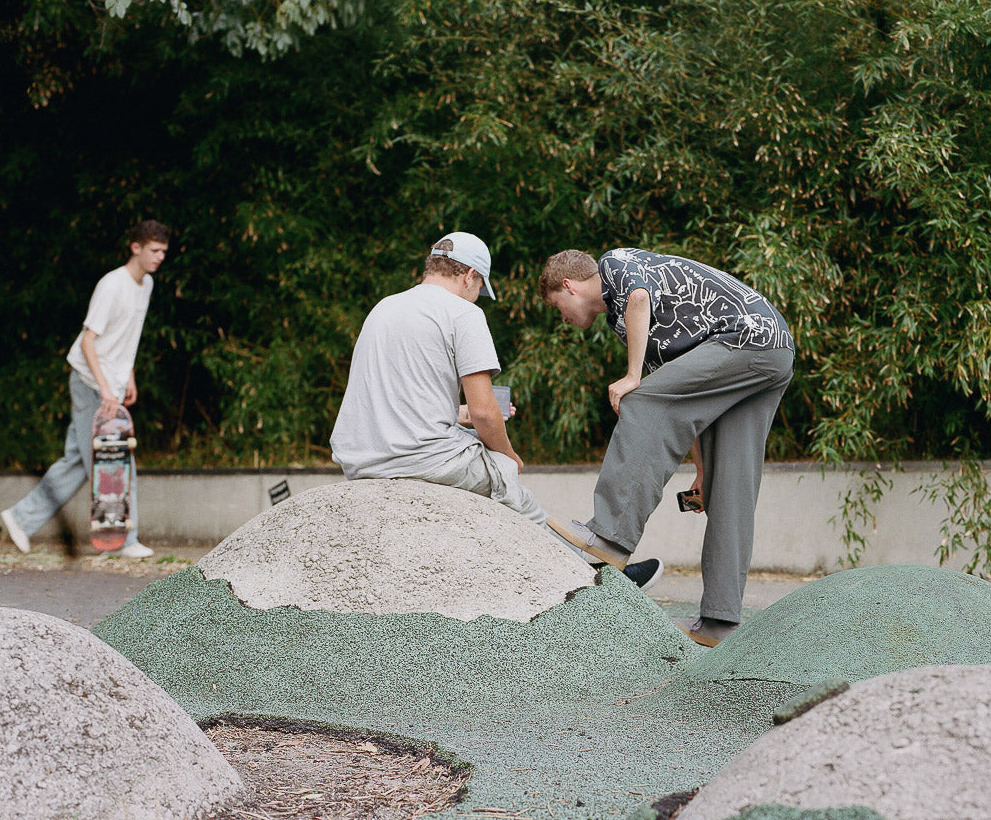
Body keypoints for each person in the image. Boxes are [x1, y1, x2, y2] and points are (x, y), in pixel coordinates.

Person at [329, 233, 664, 591]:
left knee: (474, 446)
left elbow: (388, 398)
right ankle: (592, 574)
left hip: (360, 458)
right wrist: (508, 455)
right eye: (480, 289)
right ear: (470, 275)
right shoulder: (462, 313)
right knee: (505, 477)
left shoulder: (384, 308)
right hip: (417, 459)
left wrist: (456, 415)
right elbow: (487, 412)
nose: (478, 298)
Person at [540, 247, 795, 646]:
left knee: (639, 400)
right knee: (728, 486)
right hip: (771, 348)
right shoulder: (636, 327)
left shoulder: (615, 265)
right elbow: (682, 407)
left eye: (558, 307)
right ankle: (719, 624)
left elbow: (639, 300)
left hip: (743, 338)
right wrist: (701, 469)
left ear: (569, 286)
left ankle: (609, 536)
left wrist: (631, 376)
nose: (563, 318)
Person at [0, 220, 170, 558]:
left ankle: (21, 517)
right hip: (91, 384)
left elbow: (127, 336)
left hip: (111, 383)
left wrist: (129, 376)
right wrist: (107, 389)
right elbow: (88, 341)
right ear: (135, 248)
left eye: (164, 251)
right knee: (116, 459)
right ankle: (125, 540)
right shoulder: (112, 285)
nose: (160, 257)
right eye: (154, 250)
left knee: (77, 462)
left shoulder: (146, 285)